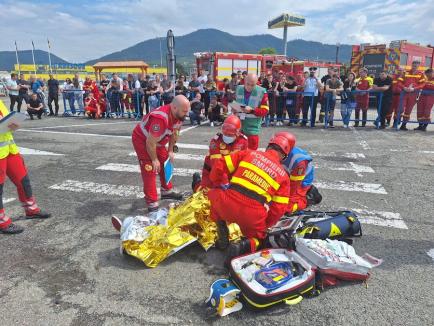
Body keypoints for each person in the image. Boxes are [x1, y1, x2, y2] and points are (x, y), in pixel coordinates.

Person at [207, 131, 293, 259]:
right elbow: (278, 209)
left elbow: (220, 165)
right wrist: (263, 225)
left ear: (269, 146)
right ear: (284, 157)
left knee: (213, 194)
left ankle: (221, 228)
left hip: (227, 205)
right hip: (252, 216)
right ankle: (241, 247)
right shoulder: (284, 176)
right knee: (260, 238)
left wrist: (218, 183)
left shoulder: (249, 153)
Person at [131, 95, 190, 212]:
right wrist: (153, 159)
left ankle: (166, 190)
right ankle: (152, 201)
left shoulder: (179, 116)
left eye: (187, 111)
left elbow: (175, 133)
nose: (186, 114)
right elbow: (150, 142)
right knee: (150, 169)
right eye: (184, 111)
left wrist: (170, 150)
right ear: (174, 108)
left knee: (165, 162)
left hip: (158, 141)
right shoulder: (161, 118)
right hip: (143, 140)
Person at [0, 100, 51, 234]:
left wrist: (13, 125)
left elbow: (5, 122)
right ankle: (2, 222)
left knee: (23, 181)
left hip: (9, 149)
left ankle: (31, 209)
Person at [192, 115, 248, 192]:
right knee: (206, 195)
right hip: (213, 171)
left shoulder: (243, 141)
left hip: (232, 173)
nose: (227, 136)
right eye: (225, 134)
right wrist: (225, 182)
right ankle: (197, 183)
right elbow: (216, 164)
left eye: (230, 135)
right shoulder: (215, 141)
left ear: (238, 133)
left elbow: (243, 162)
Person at [282, 144, 322, 214]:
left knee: (286, 208)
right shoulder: (276, 150)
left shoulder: (299, 162)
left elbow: (293, 187)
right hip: (289, 176)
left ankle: (307, 199)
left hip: (300, 181)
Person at [233, 73, 269, 150]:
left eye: (252, 85)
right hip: (239, 128)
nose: (249, 87)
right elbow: (234, 102)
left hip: (252, 130)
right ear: (244, 81)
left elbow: (265, 111)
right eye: (247, 84)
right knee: (237, 153)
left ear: (256, 83)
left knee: (251, 155)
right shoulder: (239, 88)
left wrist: (252, 110)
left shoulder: (262, 91)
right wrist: (234, 108)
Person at [400, 60, 426, 131]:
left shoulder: (421, 74)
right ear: (412, 65)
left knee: (408, 110)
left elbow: (423, 84)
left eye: (416, 66)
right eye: (414, 65)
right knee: (401, 108)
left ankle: (403, 125)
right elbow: (399, 82)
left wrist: (414, 89)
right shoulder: (406, 72)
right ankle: (397, 120)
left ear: (418, 66)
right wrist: (404, 87)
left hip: (413, 94)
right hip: (404, 93)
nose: (415, 67)